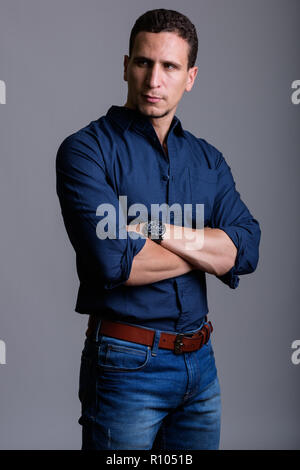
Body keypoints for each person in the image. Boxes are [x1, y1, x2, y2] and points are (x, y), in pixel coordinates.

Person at [56, 8, 261, 450]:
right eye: (144, 63)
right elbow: (114, 262)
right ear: (126, 65)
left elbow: (246, 248)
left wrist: (153, 229)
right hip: (125, 365)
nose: (154, 80)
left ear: (190, 77)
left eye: (170, 66)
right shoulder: (85, 151)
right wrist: (207, 247)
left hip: (201, 367)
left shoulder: (208, 160)